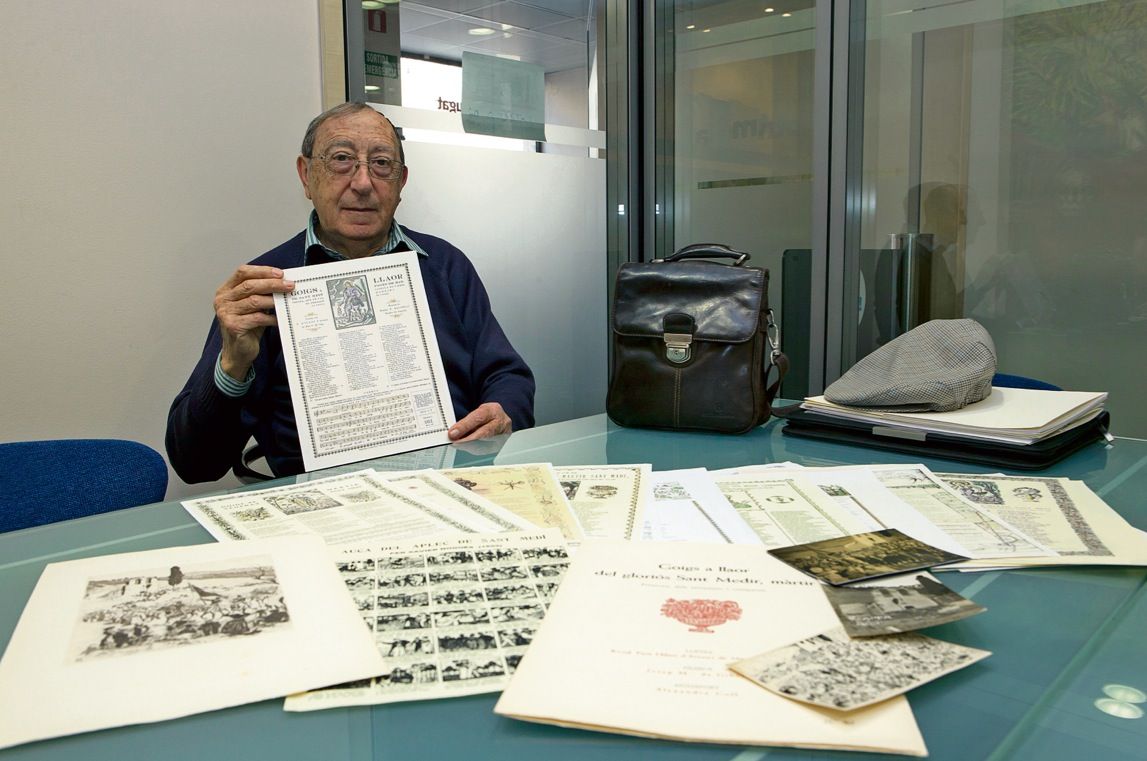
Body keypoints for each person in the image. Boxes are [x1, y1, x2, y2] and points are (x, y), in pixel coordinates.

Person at [166, 102, 535, 482]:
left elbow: (508, 373)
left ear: (401, 182)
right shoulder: (263, 287)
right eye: (341, 159)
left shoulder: (444, 265)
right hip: (324, 510)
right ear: (306, 175)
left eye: (381, 164)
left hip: (449, 485)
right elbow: (195, 464)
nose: (362, 183)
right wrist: (233, 365)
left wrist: (502, 409)